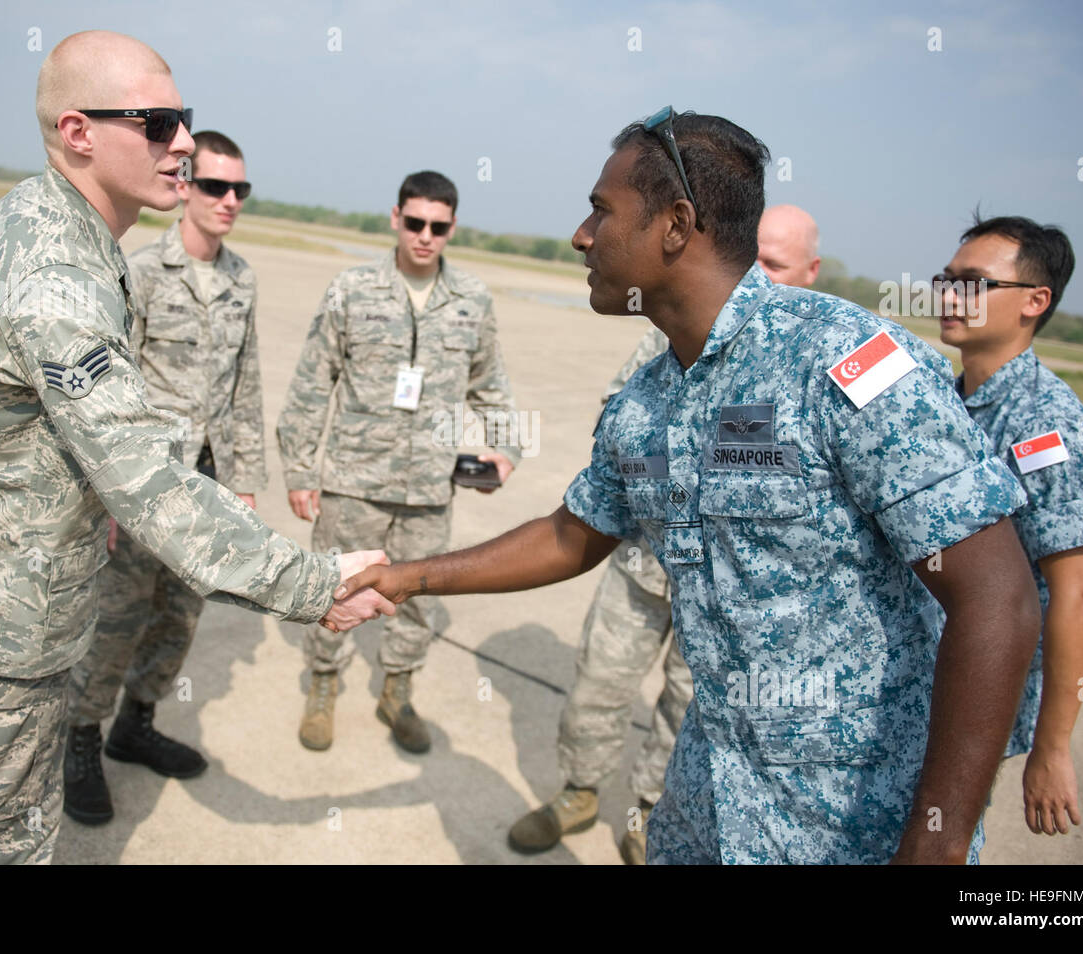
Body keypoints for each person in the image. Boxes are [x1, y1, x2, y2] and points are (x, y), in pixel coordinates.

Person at [337, 108, 1042, 864]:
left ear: (675, 225)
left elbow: (996, 599)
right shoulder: (645, 400)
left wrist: (937, 843)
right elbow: (573, 533)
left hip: (854, 821)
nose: (582, 235)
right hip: (706, 797)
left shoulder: (842, 364)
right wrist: (408, 576)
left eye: (601, 212)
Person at [0, 30, 392, 866]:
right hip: (5, 634)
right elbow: (144, 479)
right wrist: (313, 583)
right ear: (79, 132)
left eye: (183, 120)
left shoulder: (31, 218)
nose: (182, 142)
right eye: (156, 123)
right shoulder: (61, 275)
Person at [508, 205, 823, 864]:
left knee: (688, 707)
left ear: (809, 273)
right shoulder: (668, 336)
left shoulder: (809, 364)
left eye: (772, 264)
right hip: (645, 564)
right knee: (597, 682)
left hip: (731, 598)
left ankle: (650, 809)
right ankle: (579, 790)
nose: (752, 273)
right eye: (751, 255)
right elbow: (620, 431)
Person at [62, 130, 270, 825]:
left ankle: (135, 724)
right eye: (215, 185)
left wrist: (243, 481)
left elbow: (246, 385)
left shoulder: (243, 279)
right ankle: (82, 739)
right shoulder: (143, 272)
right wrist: (112, 493)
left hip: (205, 491)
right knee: (116, 620)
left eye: (240, 189)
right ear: (186, 186)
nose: (229, 200)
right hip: (144, 485)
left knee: (179, 619)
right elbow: (109, 389)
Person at [277, 171, 521, 754]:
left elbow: (492, 386)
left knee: (419, 596)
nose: (424, 236)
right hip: (353, 481)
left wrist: (505, 450)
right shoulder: (352, 289)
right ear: (395, 218)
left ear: (452, 228)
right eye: (415, 223)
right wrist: (300, 470)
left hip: (430, 488)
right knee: (333, 588)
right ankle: (324, 684)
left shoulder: (471, 300)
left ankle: (398, 691)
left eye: (438, 227)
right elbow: (313, 383)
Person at [936, 215, 1083, 836]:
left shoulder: (1044, 423)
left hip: (972, 690)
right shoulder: (942, 399)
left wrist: (1052, 747)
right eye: (947, 279)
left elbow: (1074, 592)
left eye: (975, 283)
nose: (951, 296)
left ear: (1036, 302)